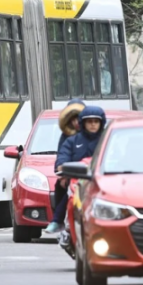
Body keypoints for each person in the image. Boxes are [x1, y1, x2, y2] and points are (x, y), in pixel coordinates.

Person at [54, 105, 107, 249]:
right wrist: (64, 171)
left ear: (102, 123)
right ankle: (67, 229)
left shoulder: (107, 140)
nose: (93, 124)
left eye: (96, 121)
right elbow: (61, 160)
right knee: (71, 201)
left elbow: (120, 159)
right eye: (89, 121)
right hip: (77, 182)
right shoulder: (72, 141)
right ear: (82, 123)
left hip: (104, 183)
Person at [45, 98, 85, 234]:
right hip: (74, 176)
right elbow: (62, 155)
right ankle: (57, 220)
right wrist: (62, 171)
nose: (76, 122)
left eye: (79, 118)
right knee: (64, 189)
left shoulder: (99, 135)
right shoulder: (67, 137)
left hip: (94, 175)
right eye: (72, 119)